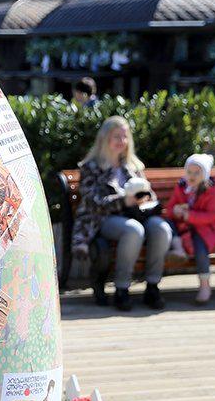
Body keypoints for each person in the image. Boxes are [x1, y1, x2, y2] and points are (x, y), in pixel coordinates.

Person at [71, 116, 172, 311]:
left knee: (161, 228)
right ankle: (122, 288)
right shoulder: (91, 167)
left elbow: (149, 193)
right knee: (133, 230)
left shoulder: (133, 166)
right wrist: (123, 201)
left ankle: (153, 286)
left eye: (125, 137)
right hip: (102, 219)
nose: (122, 141)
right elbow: (92, 202)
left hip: (137, 214)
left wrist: (144, 198)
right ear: (105, 138)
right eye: (117, 136)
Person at [164, 153, 215, 305]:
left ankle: (205, 285)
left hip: (202, 228)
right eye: (189, 172)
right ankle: (178, 249)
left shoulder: (210, 189)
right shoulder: (182, 186)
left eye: (197, 173)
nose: (192, 176)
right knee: (167, 223)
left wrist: (189, 215)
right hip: (182, 226)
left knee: (200, 248)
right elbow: (169, 208)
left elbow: (212, 215)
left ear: (205, 174)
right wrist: (175, 210)